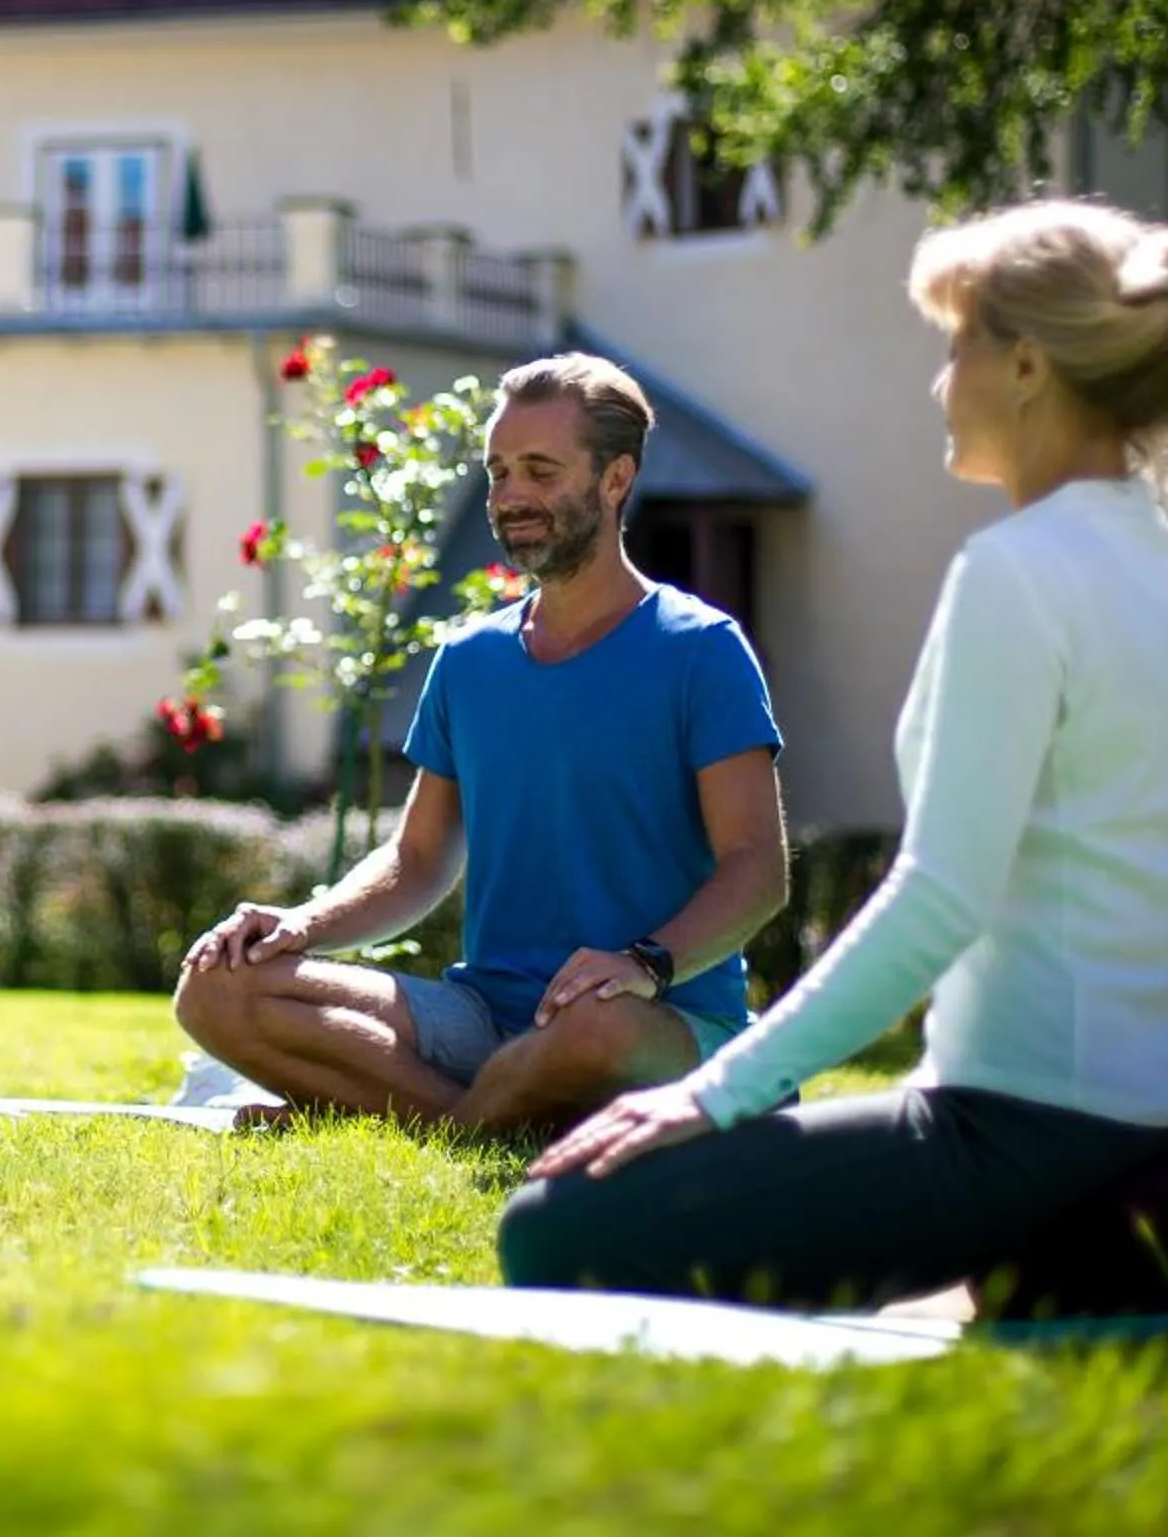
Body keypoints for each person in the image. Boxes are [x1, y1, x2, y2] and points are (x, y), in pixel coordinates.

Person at [499, 199, 1168, 1307]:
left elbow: (938, 897)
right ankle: (1080, 1253)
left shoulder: (1018, 571)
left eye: (957, 346)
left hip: (1023, 1132)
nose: (940, 380)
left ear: (1027, 366)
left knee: (551, 1226)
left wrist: (714, 1094)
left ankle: (1051, 1246)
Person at [174, 355, 790, 1137]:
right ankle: (485, 1124)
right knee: (217, 989)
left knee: (593, 1031)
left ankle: (419, 1117)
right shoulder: (470, 661)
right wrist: (305, 923)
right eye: (498, 472)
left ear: (614, 479)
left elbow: (757, 871)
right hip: (483, 1018)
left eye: (539, 470)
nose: (510, 497)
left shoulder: (702, 651)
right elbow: (418, 859)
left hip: (649, 1020)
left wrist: (644, 964)